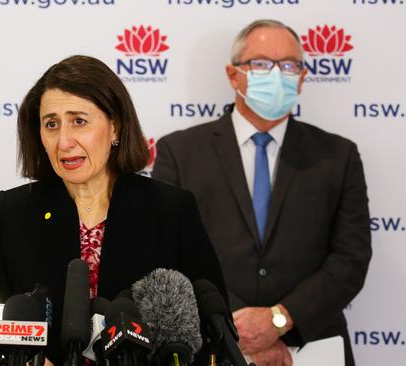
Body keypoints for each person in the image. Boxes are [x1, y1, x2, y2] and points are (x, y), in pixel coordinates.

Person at [0, 55, 228, 365]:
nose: (64, 141)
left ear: (115, 126)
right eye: (51, 124)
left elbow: (213, 329)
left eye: (79, 121)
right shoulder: (14, 210)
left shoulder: (171, 209)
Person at [152, 19, 371, 366]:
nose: (277, 75)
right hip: (212, 344)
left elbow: (351, 258)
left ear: (301, 77)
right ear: (232, 74)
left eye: (289, 65)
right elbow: (167, 253)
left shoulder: (338, 156)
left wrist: (279, 320)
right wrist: (242, 329)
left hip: (313, 346)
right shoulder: (180, 152)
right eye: (261, 64)